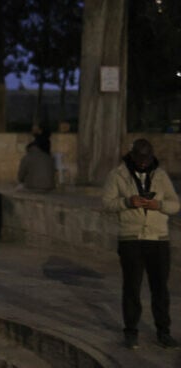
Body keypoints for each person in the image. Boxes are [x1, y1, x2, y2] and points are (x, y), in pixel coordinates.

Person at [101, 138, 180, 350]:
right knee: (131, 288)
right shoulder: (117, 175)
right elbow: (107, 203)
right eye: (140, 158)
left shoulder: (160, 175)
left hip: (158, 239)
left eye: (147, 159)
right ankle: (131, 332)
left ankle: (163, 332)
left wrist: (158, 205)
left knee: (160, 289)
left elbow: (175, 204)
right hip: (131, 239)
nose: (144, 162)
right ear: (133, 155)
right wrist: (128, 202)